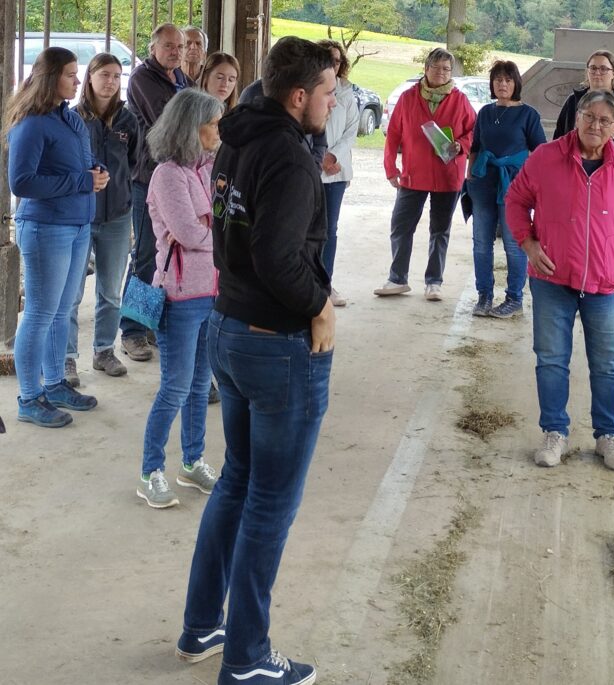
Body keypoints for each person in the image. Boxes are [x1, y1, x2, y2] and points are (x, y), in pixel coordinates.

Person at [177, 36, 336, 685]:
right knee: (269, 502)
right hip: (276, 343)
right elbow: (277, 255)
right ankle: (246, 657)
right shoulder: (290, 158)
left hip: (229, 325)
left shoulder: (236, 138)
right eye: (327, 92)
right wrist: (319, 305)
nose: (333, 103)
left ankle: (202, 624)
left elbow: (229, 235)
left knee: (238, 482)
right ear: (298, 96)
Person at [506, 89, 614, 471]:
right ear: (576, 117)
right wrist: (528, 244)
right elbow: (515, 200)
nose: (594, 125)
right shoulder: (545, 158)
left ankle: (608, 435)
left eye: (604, 120)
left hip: (606, 284)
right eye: (588, 116)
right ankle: (555, 431)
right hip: (552, 280)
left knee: (608, 363)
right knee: (552, 359)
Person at [6, 47, 107, 428]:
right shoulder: (32, 124)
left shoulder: (70, 118)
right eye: (70, 74)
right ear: (50, 78)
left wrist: (96, 170)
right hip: (46, 227)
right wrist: (82, 181)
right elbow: (22, 183)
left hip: (77, 224)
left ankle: (54, 383)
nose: (78, 81)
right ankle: (29, 397)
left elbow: (77, 164)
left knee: (62, 311)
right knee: (39, 314)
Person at [137, 89, 224, 509]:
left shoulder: (205, 168)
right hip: (180, 296)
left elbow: (217, 223)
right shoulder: (168, 175)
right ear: (192, 127)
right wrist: (218, 236)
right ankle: (150, 471)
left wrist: (211, 230)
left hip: (212, 292)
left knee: (199, 385)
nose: (219, 130)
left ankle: (192, 462)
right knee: (175, 387)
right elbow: (189, 233)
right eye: (213, 123)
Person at [375, 48, 475, 301]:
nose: (441, 72)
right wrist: (390, 169)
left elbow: (474, 132)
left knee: (440, 230)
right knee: (401, 226)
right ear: (426, 68)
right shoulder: (408, 98)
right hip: (413, 174)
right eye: (436, 67)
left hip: (448, 176)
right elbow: (393, 135)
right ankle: (397, 279)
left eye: (447, 69)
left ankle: (434, 282)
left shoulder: (460, 100)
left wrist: (461, 145)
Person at [66, 53, 139, 386]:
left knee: (110, 291)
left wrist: (120, 191)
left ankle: (104, 351)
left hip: (118, 216)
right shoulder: (73, 118)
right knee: (72, 292)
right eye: (104, 74)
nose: (111, 81)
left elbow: (133, 162)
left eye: (117, 76)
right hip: (80, 216)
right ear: (90, 76)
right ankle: (67, 358)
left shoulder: (128, 120)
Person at [120, 23, 192, 364]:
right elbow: (169, 122)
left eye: (179, 46)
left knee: (167, 256)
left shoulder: (181, 79)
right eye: (168, 45)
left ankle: (149, 323)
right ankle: (132, 331)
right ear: (153, 48)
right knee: (146, 255)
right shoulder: (143, 79)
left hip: (177, 177)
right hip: (148, 179)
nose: (176, 51)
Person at [465, 60, 545, 319]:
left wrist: (534, 184)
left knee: (514, 242)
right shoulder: (485, 112)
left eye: (508, 80)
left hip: (514, 185)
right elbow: (475, 147)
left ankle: (514, 298)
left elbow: (540, 153)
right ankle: (484, 295)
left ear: (516, 84)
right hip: (483, 183)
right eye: (498, 80)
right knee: (481, 242)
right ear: (492, 84)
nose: (502, 84)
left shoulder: (529, 115)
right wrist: (470, 177)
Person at [553, 49, 614, 187]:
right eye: (593, 68)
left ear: (613, 73)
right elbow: (559, 137)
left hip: (612, 175)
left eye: (603, 69)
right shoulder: (573, 101)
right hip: (574, 173)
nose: (597, 73)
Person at [316, 39, 358, 308]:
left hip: (336, 172)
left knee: (329, 230)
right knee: (308, 229)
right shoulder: (309, 87)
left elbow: (352, 130)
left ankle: (326, 283)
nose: (334, 64)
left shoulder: (347, 92)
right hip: (312, 169)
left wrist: (334, 156)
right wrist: (319, 157)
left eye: (337, 60)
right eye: (328, 59)